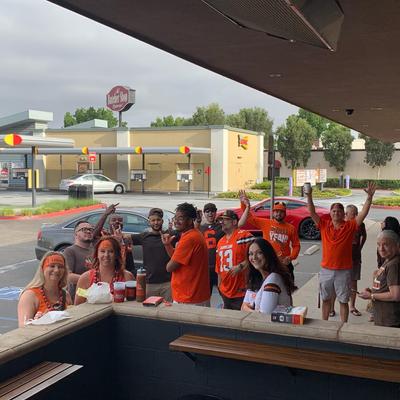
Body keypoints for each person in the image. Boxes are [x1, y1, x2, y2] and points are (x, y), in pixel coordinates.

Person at [306, 182, 376, 322]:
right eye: (333, 210)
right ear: (330, 213)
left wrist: (369, 197)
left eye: (339, 210)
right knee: (326, 299)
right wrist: (309, 195)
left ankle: (343, 326)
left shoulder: (350, 226)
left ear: (343, 214)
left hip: (344, 271)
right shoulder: (324, 225)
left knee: (343, 301)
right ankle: (324, 324)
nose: (336, 212)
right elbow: (312, 212)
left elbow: (363, 213)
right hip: (326, 270)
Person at [239, 190, 300, 286]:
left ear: (285, 214)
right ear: (273, 212)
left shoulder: (291, 228)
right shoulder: (266, 223)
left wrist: (291, 257)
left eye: (281, 212)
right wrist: (244, 204)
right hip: (268, 262)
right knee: (267, 286)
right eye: (276, 211)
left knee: (287, 287)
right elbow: (250, 218)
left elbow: (296, 245)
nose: (278, 214)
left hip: (285, 264)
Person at [162, 203, 210, 306]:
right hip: (193, 296)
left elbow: (170, 267)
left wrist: (170, 262)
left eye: (180, 218)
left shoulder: (189, 238)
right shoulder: (193, 234)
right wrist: (167, 245)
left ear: (190, 220)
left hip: (189, 298)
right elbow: (177, 257)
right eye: (175, 218)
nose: (176, 221)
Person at [331, 205, 367, 317]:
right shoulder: (341, 225)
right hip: (341, 260)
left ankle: (352, 306)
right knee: (335, 284)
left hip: (355, 259)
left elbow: (363, 236)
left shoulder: (360, 225)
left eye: (349, 213)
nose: (345, 215)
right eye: (346, 213)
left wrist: (359, 249)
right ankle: (331, 308)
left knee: (353, 282)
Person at [75, 236, 134, 305]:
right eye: (102, 251)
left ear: (117, 255)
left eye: (111, 251)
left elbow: (133, 306)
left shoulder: (127, 277)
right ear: (97, 254)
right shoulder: (85, 278)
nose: (106, 255)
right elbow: (78, 306)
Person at [18, 252, 72, 327]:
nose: (56, 270)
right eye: (52, 266)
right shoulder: (29, 296)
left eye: (60, 267)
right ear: (43, 269)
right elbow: (23, 327)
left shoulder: (65, 295)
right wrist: (39, 322)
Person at [358, 230, 400, 327]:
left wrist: (371, 296)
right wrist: (372, 291)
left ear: (396, 245)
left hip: (390, 321)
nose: (381, 249)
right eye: (378, 244)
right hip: (383, 318)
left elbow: (395, 295)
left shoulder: (394, 264)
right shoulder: (389, 259)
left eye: (385, 245)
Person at [241, 238, 293, 314]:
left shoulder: (273, 279)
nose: (254, 257)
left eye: (259, 253)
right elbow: (243, 306)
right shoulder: (256, 278)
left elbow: (264, 316)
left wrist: (247, 309)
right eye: (251, 254)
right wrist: (248, 309)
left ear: (268, 254)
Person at [131, 208, 172, 301]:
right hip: (149, 283)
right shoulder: (144, 236)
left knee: (168, 312)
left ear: (162, 221)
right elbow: (125, 238)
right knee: (149, 312)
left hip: (168, 283)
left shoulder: (169, 235)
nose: (156, 223)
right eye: (153, 220)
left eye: (158, 220)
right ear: (149, 221)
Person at [216, 209, 253, 310]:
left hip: (241, 291)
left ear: (234, 222)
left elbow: (258, 257)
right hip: (225, 291)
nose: (222, 222)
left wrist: (241, 266)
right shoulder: (220, 242)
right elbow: (218, 267)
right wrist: (219, 286)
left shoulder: (244, 235)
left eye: (225, 219)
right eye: (221, 220)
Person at [93, 203, 135, 274]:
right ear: (109, 223)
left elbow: (130, 263)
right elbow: (94, 234)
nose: (117, 221)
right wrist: (106, 214)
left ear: (123, 224)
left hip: (120, 275)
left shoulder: (126, 238)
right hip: (104, 273)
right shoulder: (103, 235)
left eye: (120, 220)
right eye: (114, 220)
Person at [64, 220, 95, 301]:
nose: (88, 231)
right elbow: (68, 276)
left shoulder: (96, 250)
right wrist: (91, 279)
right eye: (84, 229)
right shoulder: (70, 251)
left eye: (91, 229)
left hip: (96, 295)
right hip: (78, 295)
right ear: (76, 234)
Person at [198, 203, 225, 294]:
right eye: (207, 211)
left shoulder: (221, 227)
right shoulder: (200, 228)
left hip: (219, 266)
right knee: (205, 294)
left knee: (223, 292)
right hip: (205, 267)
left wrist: (247, 207)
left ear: (215, 212)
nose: (210, 213)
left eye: (212, 211)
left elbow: (238, 224)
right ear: (204, 213)